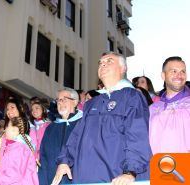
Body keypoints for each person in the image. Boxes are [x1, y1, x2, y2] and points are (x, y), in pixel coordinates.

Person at [52, 52, 152, 185]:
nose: (103, 64)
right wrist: (64, 161)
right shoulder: (91, 103)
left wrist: (130, 171)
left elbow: (137, 135)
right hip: (85, 178)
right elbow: (76, 136)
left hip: (115, 177)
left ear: (123, 69)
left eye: (109, 61)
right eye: (100, 63)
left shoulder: (132, 96)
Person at [38, 89, 83, 184]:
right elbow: (44, 159)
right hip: (53, 181)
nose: (60, 103)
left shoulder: (83, 125)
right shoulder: (50, 128)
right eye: (58, 100)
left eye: (64, 99)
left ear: (75, 102)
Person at [149, 56, 190, 154]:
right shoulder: (152, 109)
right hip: (157, 166)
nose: (179, 75)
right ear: (163, 76)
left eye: (183, 71)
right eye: (174, 71)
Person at [0, 98, 27, 184]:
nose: (9, 111)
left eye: (12, 107)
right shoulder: (0, 132)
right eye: (7, 109)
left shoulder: (27, 132)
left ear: (20, 109)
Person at [0, 117, 39, 185]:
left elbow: (12, 175)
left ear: (15, 130)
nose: (5, 129)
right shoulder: (15, 147)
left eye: (7, 126)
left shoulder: (19, 149)